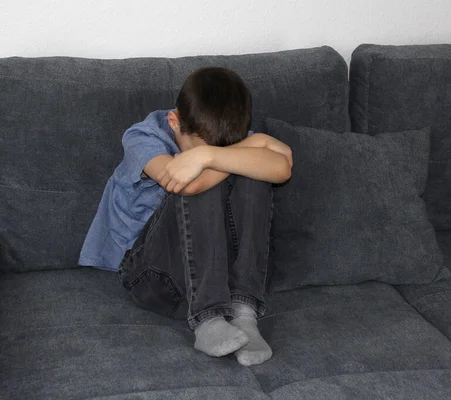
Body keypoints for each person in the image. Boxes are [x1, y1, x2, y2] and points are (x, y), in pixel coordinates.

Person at [79, 67, 293, 366]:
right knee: (199, 185)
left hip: (223, 281)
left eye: (220, 149)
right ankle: (207, 320)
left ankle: (244, 315)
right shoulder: (142, 137)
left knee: (253, 175)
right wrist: (214, 159)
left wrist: (206, 156)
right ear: (174, 122)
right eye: (198, 149)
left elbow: (283, 165)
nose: (206, 155)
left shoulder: (224, 138)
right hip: (154, 278)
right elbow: (187, 183)